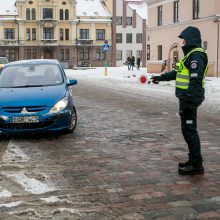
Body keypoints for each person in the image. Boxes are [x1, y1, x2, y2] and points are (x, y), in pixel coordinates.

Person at [151, 26, 208, 175]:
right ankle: (193, 160)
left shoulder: (196, 56)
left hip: (190, 100)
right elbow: (178, 73)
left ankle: (196, 165)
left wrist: (189, 102)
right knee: (187, 130)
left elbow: (195, 81)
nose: (183, 43)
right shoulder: (190, 55)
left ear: (190, 39)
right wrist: (161, 77)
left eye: (184, 39)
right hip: (186, 99)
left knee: (190, 130)